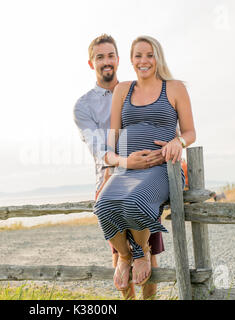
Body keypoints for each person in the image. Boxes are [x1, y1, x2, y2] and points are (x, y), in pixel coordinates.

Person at [95, 35, 196, 295]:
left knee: (134, 203)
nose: (144, 60)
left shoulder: (174, 88)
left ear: (158, 57)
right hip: (127, 168)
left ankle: (141, 252)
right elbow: (111, 141)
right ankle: (126, 256)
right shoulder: (122, 90)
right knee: (103, 205)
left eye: (149, 55)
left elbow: (190, 132)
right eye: (138, 55)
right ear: (130, 60)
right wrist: (118, 164)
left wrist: (178, 143)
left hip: (161, 169)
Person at [73, 34, 168, 300]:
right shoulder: (83, 106)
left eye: (110, 55)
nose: (106, 61)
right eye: (100, 57)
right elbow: (98, 149)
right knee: (121, 258)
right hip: (108, 182)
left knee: (149, 255)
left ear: (118, 59)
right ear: (92, 63)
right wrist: (122, 164)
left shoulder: (136, 92)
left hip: (142, 179)